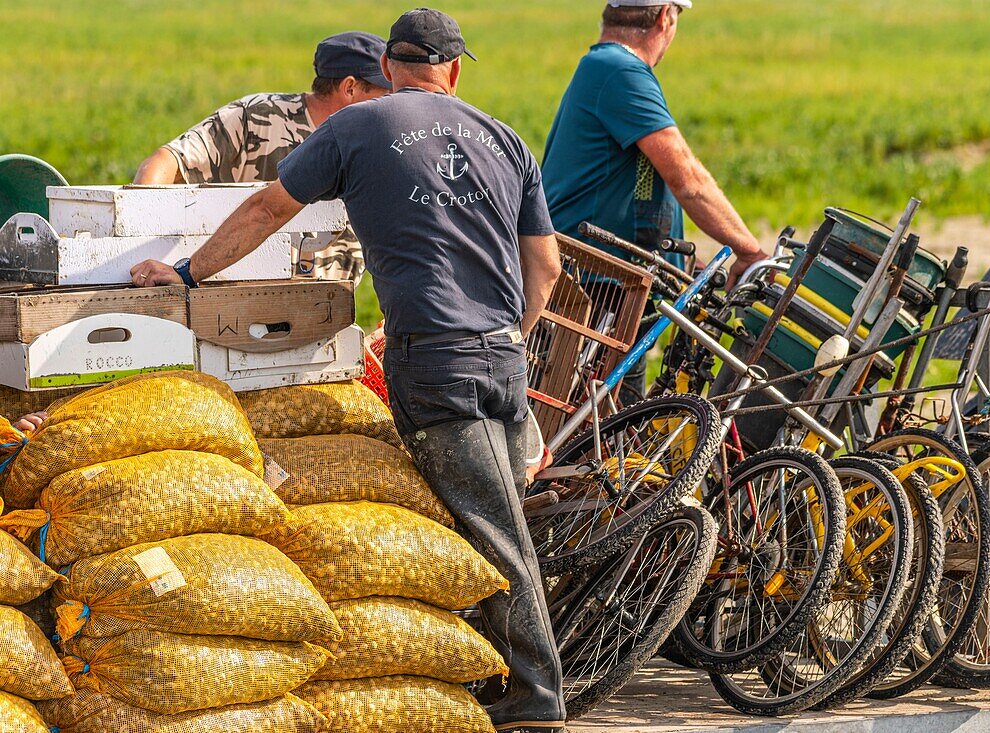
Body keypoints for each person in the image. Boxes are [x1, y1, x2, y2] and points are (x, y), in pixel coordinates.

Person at [130, 8, 567, 732]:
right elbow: (545, 266)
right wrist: (511, 337)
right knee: (482, 518)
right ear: (453, 72)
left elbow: (269, 209)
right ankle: (493, 672)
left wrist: (186, 273)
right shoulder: (506, 138)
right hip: (502, 357)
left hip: (435, 357)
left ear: (387, 70)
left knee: (490, 531)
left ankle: (538, 698)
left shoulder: (355, 127)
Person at [542, 0, 767, 403]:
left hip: (619, 279)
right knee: (602, 420)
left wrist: (685, 263)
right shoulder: (619, 71)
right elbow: (687, 179)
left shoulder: (605, 67)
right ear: (665, 16)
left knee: (616, 416)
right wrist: (750, 251)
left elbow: (637, 183)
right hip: (600, 281)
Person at [132, 31, 392, 282]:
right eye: (386, 94)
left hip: (330, 307)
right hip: (244, 301)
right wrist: (137, 242)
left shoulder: (379, 140)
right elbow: (165, 163)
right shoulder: (257, 117)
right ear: (350, 88)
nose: (394, 105)